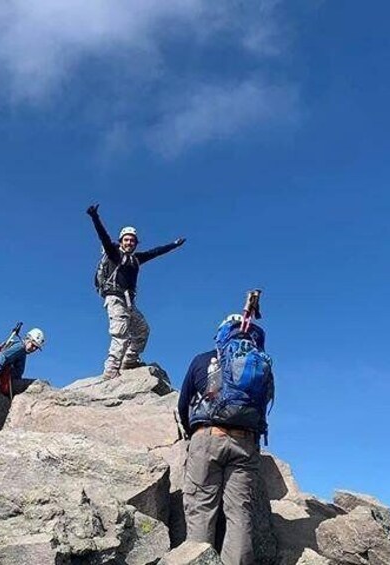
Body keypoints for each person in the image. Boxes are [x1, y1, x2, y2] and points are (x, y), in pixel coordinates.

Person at [177, 314, 273, 565]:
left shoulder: (201, 360)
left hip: (209, 437)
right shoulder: (259, 365)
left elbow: (183, 402)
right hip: (245, 442)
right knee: (240, 514)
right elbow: (262, 409)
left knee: (200, 509)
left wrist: (195, 435)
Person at [86, 203, 185, 379]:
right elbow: (104, 237)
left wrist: (174, 245)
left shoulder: (136, 259)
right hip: (115, 299)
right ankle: (110, 371)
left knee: (142, 330)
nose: (130, 242)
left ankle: (129, 361)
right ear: (121, 241)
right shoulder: (114, 254)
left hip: (129, 302)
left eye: (132, 240)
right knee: (120, 334)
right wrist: (95, 217)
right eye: (126, 239)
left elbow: (156, 252)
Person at [0, 328, 45, 392]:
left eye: (36, 348)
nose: (34, 348)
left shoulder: (21, 350)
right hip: (5, 381)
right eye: (33, 345)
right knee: (37, 384)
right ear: (28, 339)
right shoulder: (20, 347)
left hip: (6, 379)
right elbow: (2, 355)